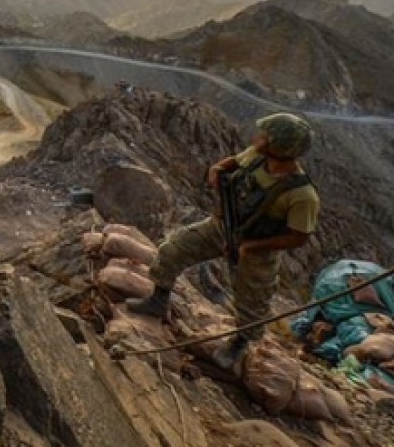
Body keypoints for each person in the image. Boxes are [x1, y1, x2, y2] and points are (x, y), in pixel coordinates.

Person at [126, 113, 319, 370]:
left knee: (252, 303)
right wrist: (217, 169)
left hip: (258, 250)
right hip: (222, 227)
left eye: (265, 135)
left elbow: (298, 237)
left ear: (279, 145)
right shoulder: (257, 156)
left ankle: (239, 344)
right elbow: (234, 162)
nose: (257, 137)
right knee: (174, 249)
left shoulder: (302, 195)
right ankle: (159, 300)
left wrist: (252, 247)